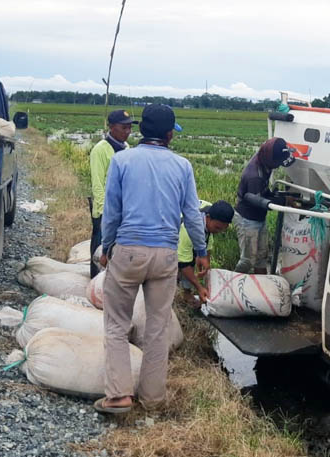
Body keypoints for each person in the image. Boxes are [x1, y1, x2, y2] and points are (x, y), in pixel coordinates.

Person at [95, 104, 208, 414]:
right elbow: (193, 216)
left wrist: (107, 247)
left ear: (141, 129)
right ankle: (153, 398)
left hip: (129, 251)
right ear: (169, 134)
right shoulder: (182, 166)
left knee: (117, 324)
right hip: (166, 255)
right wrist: (201, 252)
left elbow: (112, 211)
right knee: (157, 329)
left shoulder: (121, 160)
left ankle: (119, 396)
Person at [233, 137, 295, 274]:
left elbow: (264, 193)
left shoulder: (264, 158)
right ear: (270, 159)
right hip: (247, 219)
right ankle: (232, 285)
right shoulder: (255, 176)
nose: (278, 166)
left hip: (258, 217)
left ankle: (263, 286)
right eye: (276, 162)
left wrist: (280, 197)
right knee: (248, 260)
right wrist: (283, 201)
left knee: (262, 256)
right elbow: (259, 201)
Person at [89, 109, 137, 278]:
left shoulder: (128, 149)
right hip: (105, 212)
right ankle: (94, 282)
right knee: (100, 252)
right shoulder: (100, 150)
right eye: (124, 128)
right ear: (111, 127)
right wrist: (104, 213)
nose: (128, 132)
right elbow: (98, 185)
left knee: (117, 254)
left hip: (124, 212)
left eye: (130, 128)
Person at [178, 200, 234, 303]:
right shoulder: (187, 229)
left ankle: (186, 289)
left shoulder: (212, 210)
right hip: (164, 233)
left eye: (223, 229)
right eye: (217, 228)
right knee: (181, 263)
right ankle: (183, 291)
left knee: (192, 258)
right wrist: (199, 287)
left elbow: (208, 236)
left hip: (192, 229)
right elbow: (184, 263)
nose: (219, 231)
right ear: (208, 218)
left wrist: (205, 258)